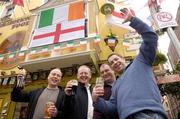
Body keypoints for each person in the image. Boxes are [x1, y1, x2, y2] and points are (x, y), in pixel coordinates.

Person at [92, 8, 167, 119]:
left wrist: (133, 20)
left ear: (123, 59)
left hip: (148, 114)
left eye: (116, 59)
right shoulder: (116, 86)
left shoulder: (141, 60)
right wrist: (96, 100)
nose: (115, 63)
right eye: (112, 63)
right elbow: (113, 109)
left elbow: (151, 38)